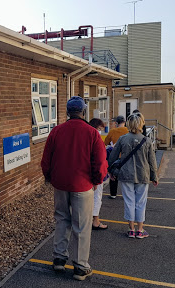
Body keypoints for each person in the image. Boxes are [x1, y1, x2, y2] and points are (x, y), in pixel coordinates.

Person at [41, 96, 108, 281]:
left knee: (62, 219)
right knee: (82, 225)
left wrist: (50, 177)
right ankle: (80, 266)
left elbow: (46, 160)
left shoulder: (56, 131)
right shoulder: (92, 133)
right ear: (83, 112)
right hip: (82, 185)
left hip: (60, 184)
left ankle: (59, 259)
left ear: (67, 112)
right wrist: (97, 180)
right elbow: (101, 162)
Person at [108, 113, 158, 239]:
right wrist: (154, 177)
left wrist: (110, 171)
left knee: (129, 202)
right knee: (141, 202)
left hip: (126, 174)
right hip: (143, 175)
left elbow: (113, 156)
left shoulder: (123, 139)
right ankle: (140, 230)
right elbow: (152, 161)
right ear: (141, 124)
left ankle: (131, 229)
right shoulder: (146, 140)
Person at [88, 118, 109, 230]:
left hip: (86, 173)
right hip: (96, 174)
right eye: (100, 128)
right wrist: (98, 179)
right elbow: (100, 160)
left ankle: (88, 220)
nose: (101, 131)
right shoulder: (96, 139)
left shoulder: (85, 137)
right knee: (97, 197)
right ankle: (95, 221)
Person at [104, 115, 129, 199]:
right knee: (126, 177)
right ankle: (127, 194)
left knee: (113, 175)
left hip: (115, 155)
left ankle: (113, 194)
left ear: (116, 123)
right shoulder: (128, 131)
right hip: (126, 156)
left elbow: (106, 142)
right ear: (125, 122)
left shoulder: (112, 131)